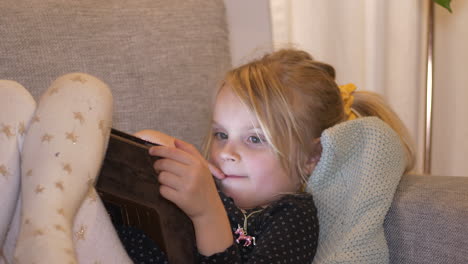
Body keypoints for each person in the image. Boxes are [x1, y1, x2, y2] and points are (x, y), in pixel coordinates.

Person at [0, 48, 414, 264]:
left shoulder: (293, 218)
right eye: (220, 134)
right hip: (66, 238)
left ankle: (44, 238)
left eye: (254, 140)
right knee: (19, 99)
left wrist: (208, 213)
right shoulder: (209, 178)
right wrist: (145, 156)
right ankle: (43, 239)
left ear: (310, 159)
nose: (228, 152)